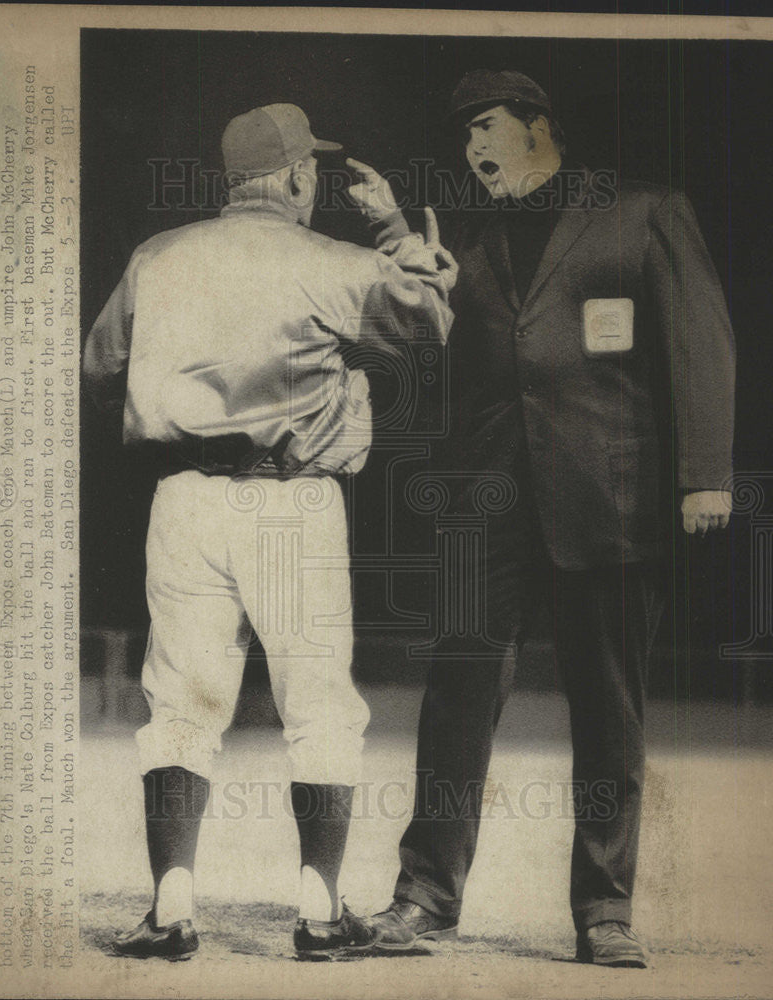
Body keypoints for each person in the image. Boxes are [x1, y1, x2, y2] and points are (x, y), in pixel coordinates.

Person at [369, 70, 734, 967]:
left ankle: (604, 910)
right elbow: (453, 363)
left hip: (606, 501)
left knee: (609, 711)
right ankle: (423, 895)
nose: (472, 151)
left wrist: (703, 474)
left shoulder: (641, 209)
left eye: (486, 128)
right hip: (487, 503)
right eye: (462, 138)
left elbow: (701, 338)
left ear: (538, 127)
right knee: (456, 695)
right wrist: (410, 272)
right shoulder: (469, 232)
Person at [83, 102, 456, 961]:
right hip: (290, 502)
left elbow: (101, 372)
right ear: (294, 178)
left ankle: (171, 911)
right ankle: (320, 915)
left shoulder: (156, 256)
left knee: (179, 705)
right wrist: (398, 231)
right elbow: (428, 325)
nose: (313, 182)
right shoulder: (325, 259)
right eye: (309, 172)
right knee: (319, 707)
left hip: (180, 500)